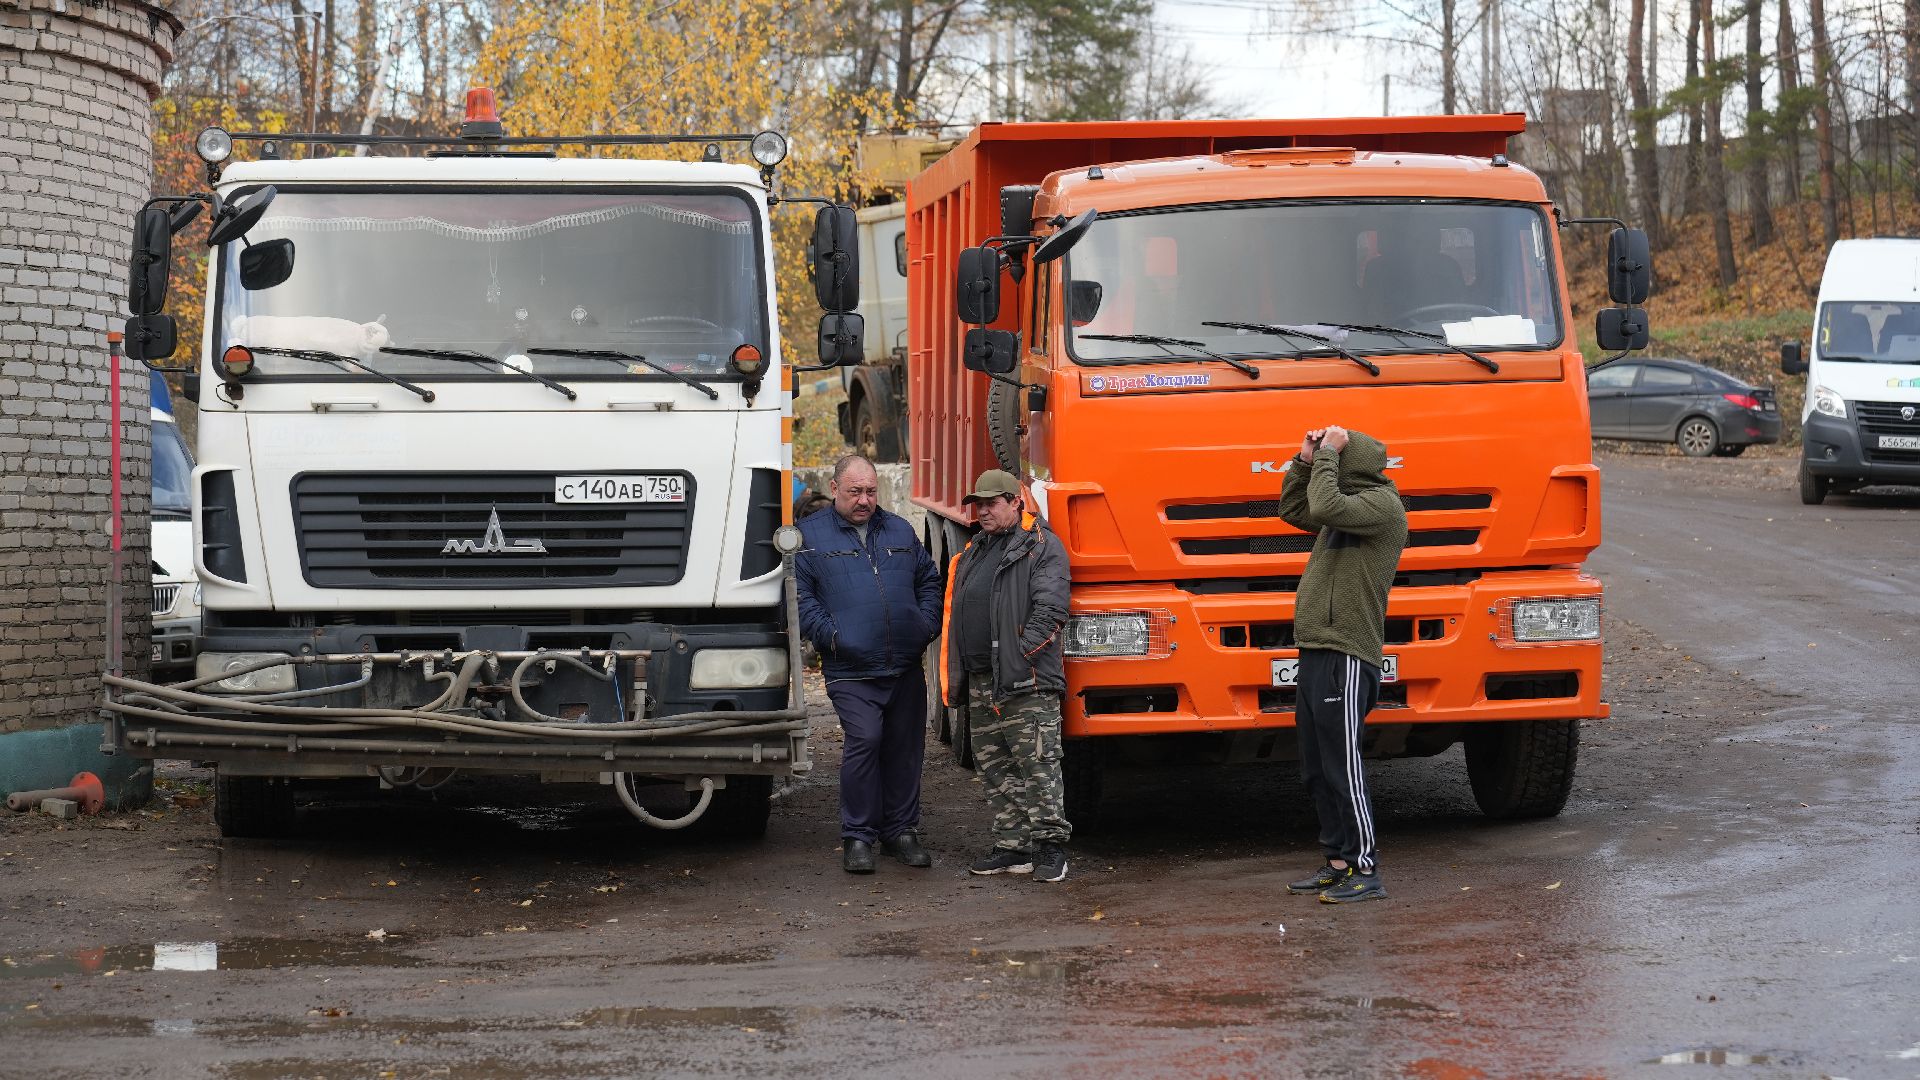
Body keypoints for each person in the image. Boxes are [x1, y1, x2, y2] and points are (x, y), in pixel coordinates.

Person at [1274, 425, 1409, 903]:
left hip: (1349, 651)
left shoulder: (1381, 506)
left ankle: (1366, 870)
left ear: (1353, 468)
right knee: (1316, 765)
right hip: (1318, 646)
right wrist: (1306, 458)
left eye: (1335, 461)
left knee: (1342, 765)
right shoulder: (1345, 513)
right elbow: (1295, 508)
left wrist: (1330, 453)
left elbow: (1326, 504)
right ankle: (1337, 862)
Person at [794, 454, 943, 874]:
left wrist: (924, 624)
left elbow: (928, 581)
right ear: (835, 487)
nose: (864, 500)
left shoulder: (897, 529)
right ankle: (857, 837)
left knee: (905, 748)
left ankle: (901, 832)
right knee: (865, 741)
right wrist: (835, 637)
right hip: (851, 669)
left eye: (871, 491)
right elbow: (802, 599)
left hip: (904, 665)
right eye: (855, 491)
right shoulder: (810, 537)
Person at [939, 469, 1073, 883]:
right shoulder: (976, 548)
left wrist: (1020, 654)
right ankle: (1013, 845)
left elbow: (1051, 609)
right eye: (978, 504)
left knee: (1037, 764)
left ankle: (1052, 849)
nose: (982, 510)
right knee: (994, 766)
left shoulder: (1041, 547)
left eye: (991, 503)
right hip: (983, 680)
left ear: (1016, 502)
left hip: (1024, 679)